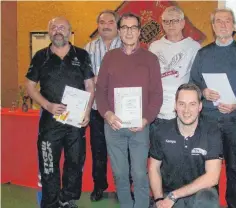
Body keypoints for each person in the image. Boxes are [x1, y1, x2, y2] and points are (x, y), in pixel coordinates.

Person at [95, 13, 163, 208]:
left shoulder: (150, 59)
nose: (129, 31)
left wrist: (145, 119)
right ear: (119, 31)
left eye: (133, 27)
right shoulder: (110, 57)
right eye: (125, 27)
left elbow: (157, 94)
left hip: (140, 127)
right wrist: (107, 114)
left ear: (140, 32)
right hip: (113, 126)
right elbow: (101, 91)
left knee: (140, 173)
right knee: (120, 174)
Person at [26, 17, 95, 208]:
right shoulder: (40, 56)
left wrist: (87, 111)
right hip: (50, 122)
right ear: (49, 31)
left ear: (69, 31)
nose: (58, 31)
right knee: (49, 167)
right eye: (54, 27)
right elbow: (30, 87)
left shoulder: (81, 55)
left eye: (62, 28)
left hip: (75, 122)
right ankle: (50, 203)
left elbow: (90, 85)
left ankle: (66, 199)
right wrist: (47, 105)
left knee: (74, 163)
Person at [189, 8, 236, 208]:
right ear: (213, 26)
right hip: (207, 121)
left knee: (233, 168)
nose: (223, 25)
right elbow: (193, 83)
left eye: (227, 21)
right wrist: (203, 92)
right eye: (219, 21)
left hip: (234, 120)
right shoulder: (203, 54)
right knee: (206, 169)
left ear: (234, 26)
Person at [148, 83, 223, 208]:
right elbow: (153, 168)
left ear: (200, 106)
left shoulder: (212, 131)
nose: (186, 110)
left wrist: (175, 195)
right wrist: (159, 199)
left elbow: (212, 177)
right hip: (168, 195)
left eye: (192, 104)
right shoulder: (161, 131)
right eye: (181, 104)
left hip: (200, 194)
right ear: (175, 106)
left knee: (208, 200)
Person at [84, 9, 122, 201]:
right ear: (97, 25)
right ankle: (99, 186)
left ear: (117, 25)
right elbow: (84, 78)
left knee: (123, 152)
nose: (105, 25)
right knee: (98, 150)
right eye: (102, 22)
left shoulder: (127, 46)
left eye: (110, 22)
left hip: (121, 110)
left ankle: (124, 188)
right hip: (97, 109)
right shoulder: (88, 48)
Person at [148, 6, 200, 129]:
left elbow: (198, 80)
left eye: (175, 21)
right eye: (166, 21)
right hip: (157, 111)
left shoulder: (194, 47)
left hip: (183, 112)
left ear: (183, 23)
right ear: (162, 24)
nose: (170, 25)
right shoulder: (154, 47)